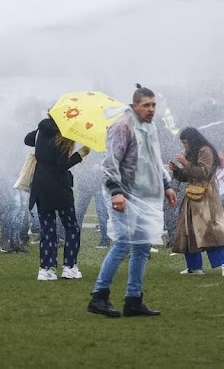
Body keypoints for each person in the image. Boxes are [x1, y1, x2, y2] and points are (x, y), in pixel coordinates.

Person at [88, 85, 177, 318]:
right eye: (146, 105)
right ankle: (99, 296)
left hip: (145, 196)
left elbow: (153, 160)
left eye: (154, 105)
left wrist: (166, 185)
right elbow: (110, 163)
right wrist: (116, 192)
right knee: (123, 243)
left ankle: (133, 299)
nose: (151, 109)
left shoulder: (150, 127)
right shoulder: (122, 125)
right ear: (134, 105)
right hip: (124, 195)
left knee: (142, 247)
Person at [27, 117, 88, 280]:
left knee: (48, 229)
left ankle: (46, 268)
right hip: (60, 189)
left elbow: (27, 139)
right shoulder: (63, 135)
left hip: (40, 187)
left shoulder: (41, 129)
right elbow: (62, 165)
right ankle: (69, 266)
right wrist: (81, 153)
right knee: (71, 227)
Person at [169, 127, 224, 276]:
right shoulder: (192, 152)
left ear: (192, 140)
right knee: (188, 231)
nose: (184, 146)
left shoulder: (205, 150)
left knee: (210, 231)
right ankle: (194, 267)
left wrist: (185, 163)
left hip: (206, 197)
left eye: (185, 142)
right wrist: (176, 170)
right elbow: (188, 176)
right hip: (192, 195)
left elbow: (203, 172)